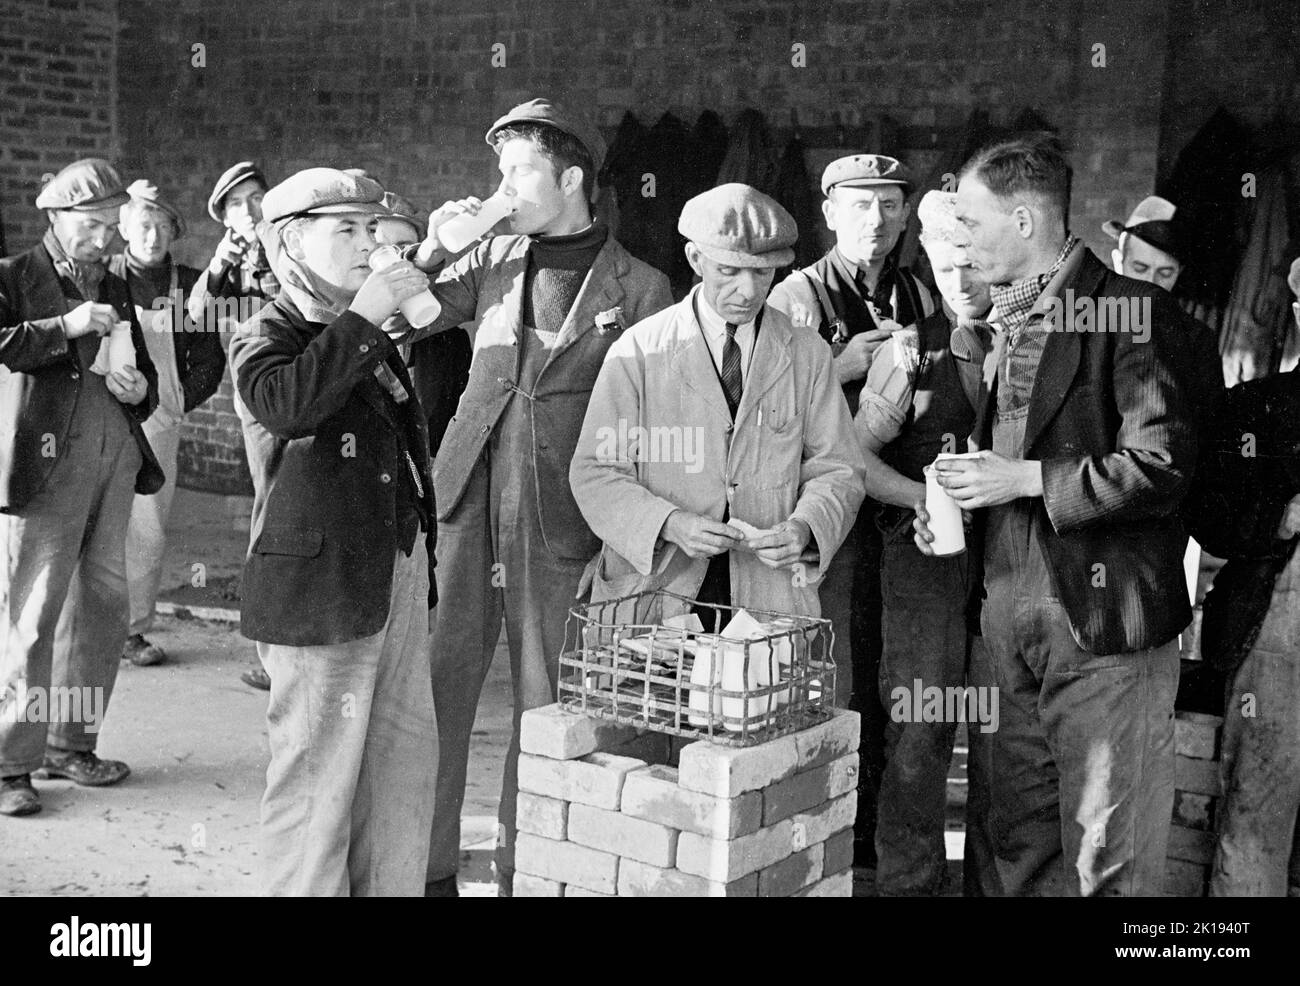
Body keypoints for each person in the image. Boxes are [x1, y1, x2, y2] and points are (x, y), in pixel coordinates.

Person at [397, 98, 673, 896]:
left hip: (562, 520)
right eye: (501, 171)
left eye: (518, 170)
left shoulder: (645, 287)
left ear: (572, 177)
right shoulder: (490, 259)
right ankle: (429, 868)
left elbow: (647, 429)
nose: (503, 185)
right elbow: (403, 320)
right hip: (466, 496)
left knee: (543, 699)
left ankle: (529, 868)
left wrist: (625, 545)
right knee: (439, 687)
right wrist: (432, 248)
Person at [915, 133, 1199, 895]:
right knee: (1011, 844)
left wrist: (1023, 478)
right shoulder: (1005, 323)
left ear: (1023, 223)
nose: (960, 243)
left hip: (1101, 628)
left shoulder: (1133, 311)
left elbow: (1161, 465)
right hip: (1008, 622)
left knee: (1106, 857)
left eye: (970, 224)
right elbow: (1008, 466)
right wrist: (961, 506)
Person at [228, 168, 438, 896]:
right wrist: (363, 323)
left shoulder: (360, 325)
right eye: (344, 229)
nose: (365, 242)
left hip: (394, 570)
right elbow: (289, 406)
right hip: (320, 590)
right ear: (291, 242)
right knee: (317, 782)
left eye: (370, 228)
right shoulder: (266, 333)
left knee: (398, 769)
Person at [570, 182, 864, 631]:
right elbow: (595, 470)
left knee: (762, 696)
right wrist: (668, 522)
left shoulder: (808, 353)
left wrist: (805, 526)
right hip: (660, 585)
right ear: (695, 259)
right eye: (729, 271)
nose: (748, 290)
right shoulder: (641, 350)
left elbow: (838, 468)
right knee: (655, 698)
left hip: (768, 590)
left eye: (763, 274)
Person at [768, 152, 936, 869]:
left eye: (891, 205)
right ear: (829, 213)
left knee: (882, 680)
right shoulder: (798, 296)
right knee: (824, 679)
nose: (877, 220)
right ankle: (815, 842)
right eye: (860, 205)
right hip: (826, 528)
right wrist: (840, 369)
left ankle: (867, 848)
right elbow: (764, 410)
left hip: (892, 530)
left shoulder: (921, 295)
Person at [0, 159, 162, 817]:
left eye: (110, 224)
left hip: (114, 457)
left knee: (103, 607)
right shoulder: (14, 276)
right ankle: (12, 762)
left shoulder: (118, 285)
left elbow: (142, 370)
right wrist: (62, 328)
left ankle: (73, 742)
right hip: (46, 465)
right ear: (56, 219)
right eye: (92, 225)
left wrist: (141, 390)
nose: (106, 238)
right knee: (34, 614)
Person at [855, 190, 996, 895]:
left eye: (974, 265)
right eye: (946, 269)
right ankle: (908, 883)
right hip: (925, 563)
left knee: (1008, 736)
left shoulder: (1037, 351)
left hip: (1013, 565)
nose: (964, 284)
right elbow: (849, 459)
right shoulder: (909, 355)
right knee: (920, 728)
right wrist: (917, 497)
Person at [110, 179, 226, 667]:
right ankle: (84, 629)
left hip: (158, 420)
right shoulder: (102, 279)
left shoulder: (191, 285)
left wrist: (177, 400)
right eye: (143, 225)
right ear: (123, 228)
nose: (152, 236)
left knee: (147, 528)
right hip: (101, 416)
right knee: (90, 521)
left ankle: (133, 631)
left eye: (162, 227)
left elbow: (208, 357)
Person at [188, 161, 278, 691]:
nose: (248, 210)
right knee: (270, 508)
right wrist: (222, 263)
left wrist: (267, 244)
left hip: (308, 382)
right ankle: (273, 648)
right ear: (223, 217)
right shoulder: (230, 261)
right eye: (235, 204)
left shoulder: (287, 238)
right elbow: (196, 314)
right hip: (258, 395)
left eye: (255, 197)